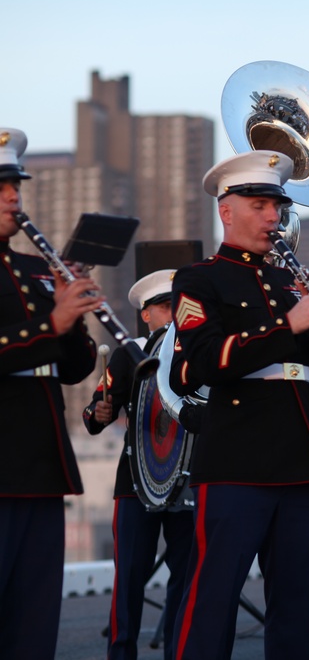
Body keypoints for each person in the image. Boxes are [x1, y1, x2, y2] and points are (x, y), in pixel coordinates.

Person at [169, 150, 309, 659]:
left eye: (277, 205)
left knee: (296, 611)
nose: (273, 216)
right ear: (226, 210)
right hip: (236, 465)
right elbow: (206, 362)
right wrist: (289, 324)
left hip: (304, 465)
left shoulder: (288, 281)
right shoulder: (199, 280)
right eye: (259, 204)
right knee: (213, 601)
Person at [0, 127, 101, 658]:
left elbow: (73, 369)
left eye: (16, 186)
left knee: (35, 620)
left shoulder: (37, 269)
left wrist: (77, 317)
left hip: (40, 462)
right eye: (1, 189)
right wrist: (52, 324)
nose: (14, 197)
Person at [81, 269, 195, 660]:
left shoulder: (198, 350)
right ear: (146, 315)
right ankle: (121, 652)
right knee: (129, 576)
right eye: (164, 308)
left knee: (187, 575)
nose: (172, 314)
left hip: (191, 481)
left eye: (176, 306)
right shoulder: (130, 353)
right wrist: (100, 411)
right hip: (135, 481)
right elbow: (94, 418)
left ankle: (178, 652)